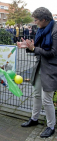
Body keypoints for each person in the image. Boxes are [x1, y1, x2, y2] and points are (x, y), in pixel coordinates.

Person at [18, 7, 57, 138]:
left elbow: (52, 53)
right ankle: (34, 119)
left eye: (36, 20)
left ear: (44, 20)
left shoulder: (55, 31)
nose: (35, 22)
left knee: (47, 99)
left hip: (51, 68)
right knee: (36, 94)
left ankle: (51, 126)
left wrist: (34, 48)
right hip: (40, 66)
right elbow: (37, 48)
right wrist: (28, 47)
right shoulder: (41, 30)